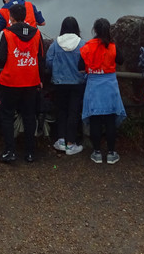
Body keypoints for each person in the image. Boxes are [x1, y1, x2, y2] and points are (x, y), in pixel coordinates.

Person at [0, 2, 44, 164]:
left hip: (11, 80)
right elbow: (41, 58)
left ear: (11, 17)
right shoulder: (37, 33)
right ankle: (30, 152)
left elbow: (0, 58)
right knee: (30, 115)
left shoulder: (6, 33)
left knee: (7, 115)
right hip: (31, 80)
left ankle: (10, 151)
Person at [81, 18, 127, 164]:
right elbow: (121, 60)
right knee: (110, 121)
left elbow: (80, 65)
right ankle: (112, 153)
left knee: (95, 119)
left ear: (94, 30)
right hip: (110, 86)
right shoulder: (112, 46)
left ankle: (97, 153)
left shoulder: (88, 46)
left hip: (94, 85)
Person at [45, 16, 86, 156]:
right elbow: (86, 63)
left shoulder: (56, 44)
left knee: (61, 111)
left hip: (60, 83)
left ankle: (61, 140)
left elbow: (49, 62)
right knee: (74, 112)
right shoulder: (82, 44)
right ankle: (71, 144)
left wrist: (57, 70)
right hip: (77, 83)